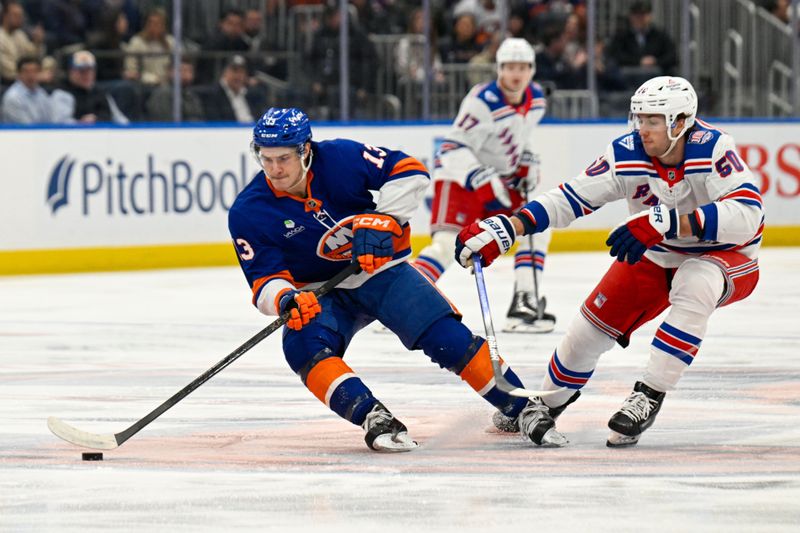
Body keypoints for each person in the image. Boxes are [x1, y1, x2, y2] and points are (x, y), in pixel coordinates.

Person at [454, 76, 763, 447]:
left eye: (653, 120)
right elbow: (570, 198)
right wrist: (511, 225)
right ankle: (549, 403)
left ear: (680, 122)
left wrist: (673, 222)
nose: (642, 129)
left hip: (726, 256)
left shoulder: (712, 149)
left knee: (696, 282)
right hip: (656, 253)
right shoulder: (626, 152)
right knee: (587, 332)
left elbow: (749, 213)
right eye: (639, 119)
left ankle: (649, 393)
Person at [228, 107, 553, 452]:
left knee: (444, 336)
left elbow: (411, 171)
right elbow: (264, 278)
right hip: (318, 292)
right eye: (266, 159)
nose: (275, 170)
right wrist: (286, 299)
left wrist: (385, 219)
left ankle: (521, 407)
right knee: (301, 347)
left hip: (378, 272)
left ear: (306, 150)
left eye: (283, 159)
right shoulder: (249, 211)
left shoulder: (340, 157)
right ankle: (372, 415)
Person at [414, 37, 556, 334]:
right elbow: (451, 147)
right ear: (499, 70)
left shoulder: (537, 101)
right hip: (460, 177)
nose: (515, 74)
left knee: (537, 227)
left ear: (531, 70)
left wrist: (527, 158)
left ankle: (524, 303)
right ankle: (402, 303)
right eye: (509, 67)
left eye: (522, 67)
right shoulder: (481, 102)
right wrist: (480, 176)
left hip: (501, 180)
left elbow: (517, 137)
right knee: (444, 246)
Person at [195, 54, 266, 123]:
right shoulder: (213, 95)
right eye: (234, 71)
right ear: (224, 72)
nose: (238, 76)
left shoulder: (251, 95)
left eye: (241, 72)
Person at [1, 56, 54, 124]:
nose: (30, 75)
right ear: (18, 74)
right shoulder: (13, 97)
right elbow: (25, 127)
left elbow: (50, 120)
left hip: (42, 132)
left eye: (34, 71)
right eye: (26, 71)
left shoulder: (42, 93)